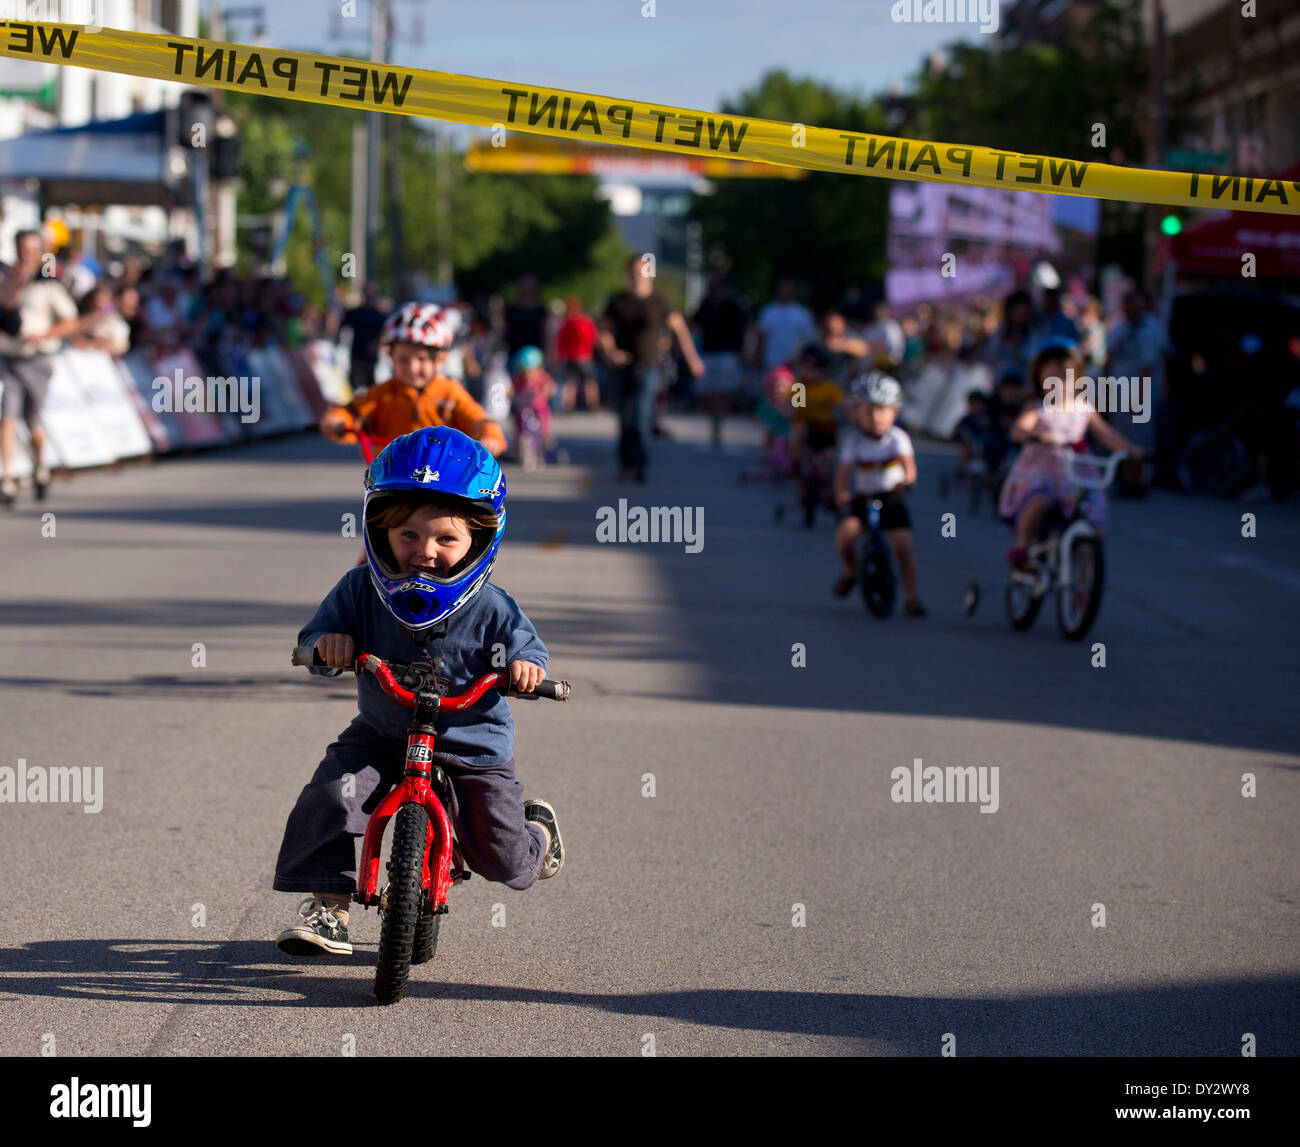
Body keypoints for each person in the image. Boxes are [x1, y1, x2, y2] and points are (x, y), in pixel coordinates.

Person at [273, 427, 564, 956]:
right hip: (384, 733)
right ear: (378, 529)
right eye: (406, 535)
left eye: (445, 539)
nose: (423, 553)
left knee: (499, 852)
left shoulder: (494, 607)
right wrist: (327, 646)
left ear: (481, 536)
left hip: (472, 746)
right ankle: (329, 908)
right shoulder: (359, 590)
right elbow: (312, 642)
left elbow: (529, 649)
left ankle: (536, 838)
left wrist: (524, 668)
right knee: (333, 794)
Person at [998, 339, 1144, 568]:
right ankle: (1023, 546)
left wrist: (1132, 450)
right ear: (1040, 379)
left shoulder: (1083, 408)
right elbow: (1020, 429)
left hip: (1075, 472)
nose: (1059, 384)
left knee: (1093, 514)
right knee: (1038, 501)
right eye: (1051, 377)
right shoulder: (1039, 408)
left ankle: (1087, 571)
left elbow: (1107, 435)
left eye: (1065, 377)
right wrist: (1035, 435)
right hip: (1041, 471)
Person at [319, 302, 507, 459]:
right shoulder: (382, 394)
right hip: (392, 479)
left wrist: (489, 435)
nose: (412, 368)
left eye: (422, 359)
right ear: (390, 357)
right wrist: (337, 420)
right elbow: (352, 413)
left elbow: (478, 419)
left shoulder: (450, 392)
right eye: (403, 359)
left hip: (442, 481)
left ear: (439, 359)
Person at [0, 229, 100, 506]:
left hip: (38, 359)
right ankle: (7, 479)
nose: (27, 255)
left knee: (33, 423)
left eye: (33, 249)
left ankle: (39, 468)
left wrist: (45, 335)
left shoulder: (49, 285)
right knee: (7, 418)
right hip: (9, 356)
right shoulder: (6, 279)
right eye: (23, 249)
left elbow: (70, 322)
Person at [600, 254, 704, 482]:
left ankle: (640, 464)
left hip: (648, 365)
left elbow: (680, 329)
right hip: (622, 366)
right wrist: (610, 352)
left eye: (644, 270)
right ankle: (625, 462)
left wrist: (693, 359)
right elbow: (604, 330)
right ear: (628, 273)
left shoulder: (659, 301)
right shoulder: (618, 301)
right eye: (635, 270)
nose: (639, 274)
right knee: (625, 417)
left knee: (641, 414)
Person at [831, 373, 927, 617]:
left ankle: (911, 597)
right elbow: (843, 471)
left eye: (881, 410)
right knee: (846, 535)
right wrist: (841, 492)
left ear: (893, 412)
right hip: (864, 499)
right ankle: (851, 570)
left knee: (903, 546)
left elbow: (909, 467)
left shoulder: (898, 439)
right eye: (868, 411)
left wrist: (907, 480)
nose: (875, 417)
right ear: (856, 413)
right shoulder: (853, 441)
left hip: (891, 498)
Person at [690, 274, 748, 448]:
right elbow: (694, 324)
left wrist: (741, 351)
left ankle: (719, 426)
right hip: (709, 353)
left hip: (727, 353)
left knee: (723, 392)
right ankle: (715, 424)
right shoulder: (705, 305)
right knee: (710, 392)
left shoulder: (733, 306)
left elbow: (742, 330)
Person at [508, 345, 558, 464]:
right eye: (524, 372)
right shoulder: (519, 378)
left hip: (538, 408)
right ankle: (518, 446)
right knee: (519, 426)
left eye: (530, 371)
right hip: (523, 408)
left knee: (543, 425)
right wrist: (509, 393)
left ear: (538, 368)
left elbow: (551, 387)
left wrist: (546, 392)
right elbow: (512, 388)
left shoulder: (542, 377)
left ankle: (545, 441)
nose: (527, 375)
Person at [755, 279, 818, 372]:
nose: (786, 291)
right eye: (783, 287)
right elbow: (761, 337)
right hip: (771, 363)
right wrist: (758, 358)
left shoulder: (802, 313)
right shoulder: (768, 311)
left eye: (788, 288)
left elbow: (808, 339)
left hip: (795, 365)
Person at [337, 282, 388, 395]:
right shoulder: (355, 313)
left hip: (371, 359)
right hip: (357, 356)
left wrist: (376, 345)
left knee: (372, 388)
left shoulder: (378, 315)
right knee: (357, 387)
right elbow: (342, 327)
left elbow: (384, 334)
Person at [555, 296, 599, 412]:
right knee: (590, 383)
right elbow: (594, 338)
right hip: (585, 357)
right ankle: (593, 406)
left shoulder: (567, 324)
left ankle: (568, 407)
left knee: (570, 384)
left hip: (570, 357)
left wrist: (560, 356)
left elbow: (561, 341)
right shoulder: (587, 322)